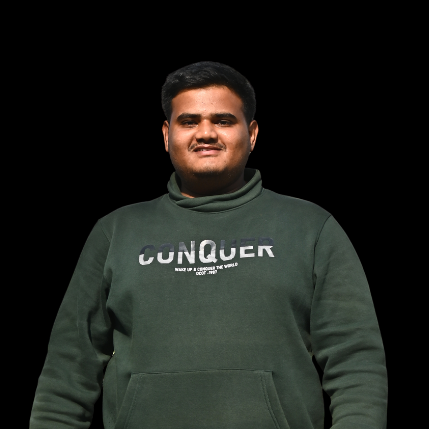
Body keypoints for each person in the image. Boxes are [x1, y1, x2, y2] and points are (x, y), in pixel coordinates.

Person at [30, 61, 387, 429]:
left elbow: (355, 361)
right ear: (166, 135)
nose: (205, 133)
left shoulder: (311, 227)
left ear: (252, 134)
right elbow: (68, 369)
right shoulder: (115, 231)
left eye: (223, 121)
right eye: (189, 121)